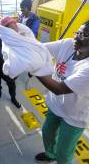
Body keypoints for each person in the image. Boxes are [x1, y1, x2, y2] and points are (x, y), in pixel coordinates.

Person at [34, 21, 89, 164]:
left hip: (74, 116)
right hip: (55, 105)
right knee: (47, 133)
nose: (76, 37)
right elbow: (40, 49)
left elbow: (59, 89)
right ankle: (50, 154)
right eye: (77, 32)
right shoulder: (68, 44)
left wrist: (34, 68)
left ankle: (58, 157)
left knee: (63, 155)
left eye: (83, 35)